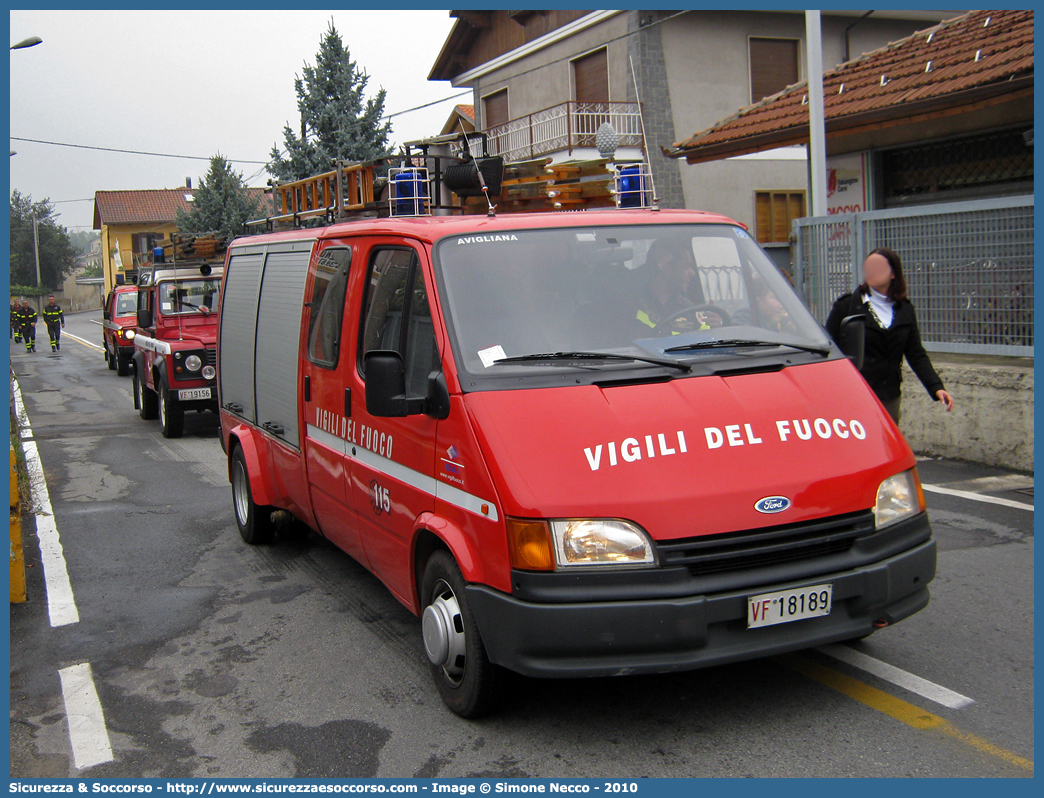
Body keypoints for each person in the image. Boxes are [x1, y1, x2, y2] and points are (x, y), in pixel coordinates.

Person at [826, 246, 954, 423]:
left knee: (887, 445)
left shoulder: (905, 309)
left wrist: (936, 387)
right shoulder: (846, 306)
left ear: (893, 274)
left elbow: (916, 354)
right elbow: (828, 349)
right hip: (855, 394)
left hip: (889, 395)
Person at [635, 241, 721, 334]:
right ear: (666, 268)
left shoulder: (688, 308)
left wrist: (713, 326)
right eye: (686, 267)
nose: (692, 274)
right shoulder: (634, 303)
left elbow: (700, 339)